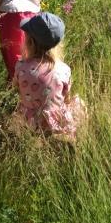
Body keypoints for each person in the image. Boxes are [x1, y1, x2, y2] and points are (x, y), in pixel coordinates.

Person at [13, 12, 84, 140]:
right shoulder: (64, 69)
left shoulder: (20, 66)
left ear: (30, 42)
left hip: (29, 122)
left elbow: (17, 88)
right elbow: (66, 97)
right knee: (76, 103)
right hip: (55, 124)